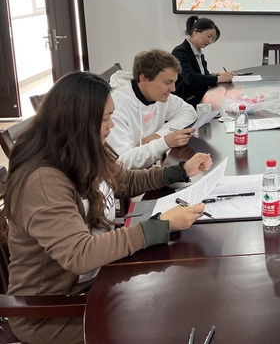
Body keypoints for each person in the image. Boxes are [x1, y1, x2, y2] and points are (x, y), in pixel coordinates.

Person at [0, 71, 212, 344]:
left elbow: (123, 181)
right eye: (104, 119)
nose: (111, 125)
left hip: (97, 279)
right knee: (158, 326)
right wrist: (161, 226)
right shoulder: (43, 181)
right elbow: (81, 254)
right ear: (77, 122)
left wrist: (179, 171)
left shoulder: (83, 148)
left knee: (177, 296)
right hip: (49, 310)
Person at [109, 49, 197, 170]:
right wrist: (164, 143)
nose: (173, 89)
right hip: (127, 177)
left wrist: (159, 135)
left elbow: (189, 112)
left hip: (146, 171)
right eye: (168, 82)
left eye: (174, 82)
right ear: (144, 79)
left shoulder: (155, 93)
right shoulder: (116, 108)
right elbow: (122, 163)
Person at [172, 16, 234, 107]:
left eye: (212, 38)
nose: (210, 41)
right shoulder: (180, 52)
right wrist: (219, 79)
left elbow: (201, 75)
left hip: (198, 99)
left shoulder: (198, 52)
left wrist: (214, 75)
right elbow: (190, 78)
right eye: (209, 36)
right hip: (186, 102)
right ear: (196, 32)